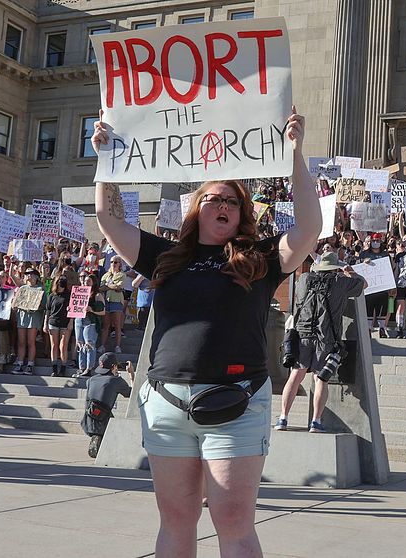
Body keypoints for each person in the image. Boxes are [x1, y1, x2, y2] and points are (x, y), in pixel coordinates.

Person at [92, 107, 319, 557]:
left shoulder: (262, 258)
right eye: (214, 198)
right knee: (176, 521)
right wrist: (107, 161)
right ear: (198, 208)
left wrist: (295, 155)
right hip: (167, 405)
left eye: (233, 201)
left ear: (242, 214)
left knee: (233, 522)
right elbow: (109, 218)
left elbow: (310, 226)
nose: (223, 206)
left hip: (236, 403)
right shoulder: (166, 255)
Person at [275, 252, 365, 433]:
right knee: (320, 379)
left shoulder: (305, 279)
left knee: (295, 376)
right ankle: (315, 422)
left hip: (302, 334)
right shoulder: (340, 282)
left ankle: (283, 418)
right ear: (335, 268)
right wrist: (350, 273)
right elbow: (363, 285)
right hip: (326, 337)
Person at [81, 352, 133, 458]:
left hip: (88, 419)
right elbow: (132, 394)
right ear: (113, 366)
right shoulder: (115, 381)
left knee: (100, 409)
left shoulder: (91, 380)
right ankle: (102, 438)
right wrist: (131, 374)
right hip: (104, 420)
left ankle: (97, 437)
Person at [12, 270, 45, 374]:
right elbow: (14, 304)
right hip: (22, 316)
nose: (29, 276)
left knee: (31, 341)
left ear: (36, 277)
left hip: (33, 316)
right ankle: (20, 362)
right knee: (21, 341)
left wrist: (36, 305)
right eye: (27, 274)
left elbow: (44, 305)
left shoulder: (40, 289)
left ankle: (30, 364)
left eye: (31, 274)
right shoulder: (22, 288)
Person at [73, 274, 105, 377]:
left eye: (88, 281)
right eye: (84, 281)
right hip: (79, 320)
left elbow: (103, 312)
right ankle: (81, 367)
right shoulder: (78, 292)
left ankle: (89, 368)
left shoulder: (97, 295)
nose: (85, 283)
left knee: (89, 344)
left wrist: (92, 310)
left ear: (93, 283)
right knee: (80, 343)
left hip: (90, 321)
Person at [45, 276, 73, 377]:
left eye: (63, 281)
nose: (61, 283)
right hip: (53, 322)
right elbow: (47, 310)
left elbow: (72, 310)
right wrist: (45, 323)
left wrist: (71, 322)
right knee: (54, 345)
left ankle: (63, 367)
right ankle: (55, 368)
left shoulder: (69, 295)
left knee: (63, 346)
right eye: (59, 281)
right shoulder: (52, 295)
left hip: (65, 322)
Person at [99, 256, 127, 353]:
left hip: (116, 301)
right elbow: (101, 288)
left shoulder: (122, 275)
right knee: (106, 324)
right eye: (111, 262)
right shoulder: (106, 275)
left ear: (120, 264)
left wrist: (108, 286)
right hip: (106, 300)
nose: (113, 264)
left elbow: (119, 287)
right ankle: (102, 345)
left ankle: (117, 346)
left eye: (115, 262)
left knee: (117, 324)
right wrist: (111, 286)